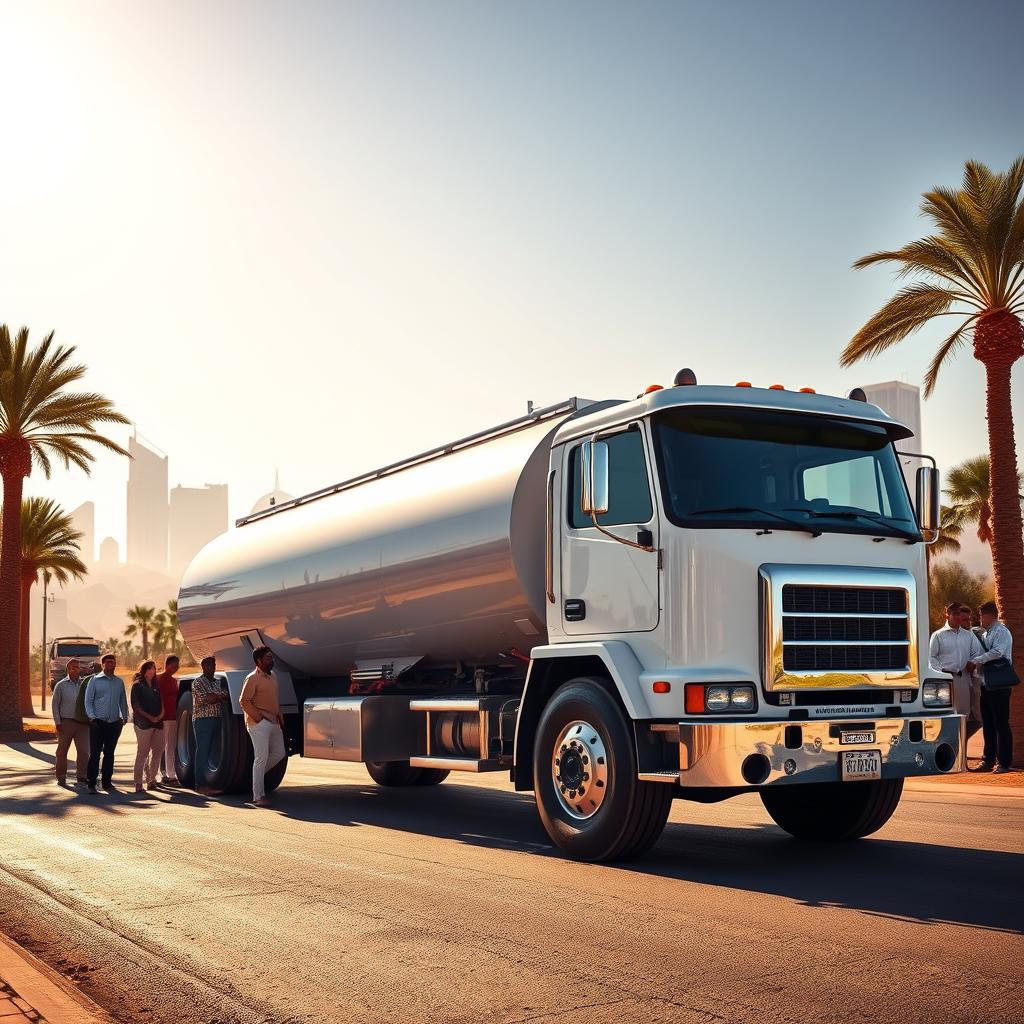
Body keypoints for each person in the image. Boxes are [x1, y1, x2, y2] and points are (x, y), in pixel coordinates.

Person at [239, 646, 286, 807]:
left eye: (271, 657)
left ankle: (255, 777)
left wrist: (280, 716)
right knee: (261, 757)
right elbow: (244, 701)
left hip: (274, 722)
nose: (271, 660)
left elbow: (275, 698)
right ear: (259, 661)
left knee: (280, 753)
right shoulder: (252, 678)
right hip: (258, 723)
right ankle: (258, 796)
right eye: (268, 657)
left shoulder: (273, 676)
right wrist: (259, 718)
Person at [973, 601, 1015, 774]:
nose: (980, 619)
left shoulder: (1002, 632)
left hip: (999, 686)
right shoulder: (985, 634)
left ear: (990, 615)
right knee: (988, 724)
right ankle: (988, 760)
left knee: (1001, 724)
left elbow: (997, 652)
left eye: (982, 615)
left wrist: (977, 660)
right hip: (986, 684)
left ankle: (1004, 762)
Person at [929, 602, 985, 724]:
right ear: (947, 616)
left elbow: (976, 652)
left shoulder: (968, 635)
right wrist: (942, 672)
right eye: (954, 614)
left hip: (963, 679)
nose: (958, 617)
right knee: (944, 713)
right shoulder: (938, 635)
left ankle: (962, 741)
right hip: (944, 680)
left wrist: (972, 662)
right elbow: (932, 657)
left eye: (959, 614)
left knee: (963, 714)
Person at [84, 653, 128, 793]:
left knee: (109, 753)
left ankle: (107, 782)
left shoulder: (119, 682)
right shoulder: (95, 681)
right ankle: (91, 783)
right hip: (98, 723)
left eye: (113, 662)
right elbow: (88, 701)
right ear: (102, 665)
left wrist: (124, 717)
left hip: (114, 723)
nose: (111, 664)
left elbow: (122, 701)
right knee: (95, 753)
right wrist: (92, 717)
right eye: (108, 662)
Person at [193, 656, 229, 796]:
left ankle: (210, 783)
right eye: (209, 665)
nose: (212, 667)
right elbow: (205, 699)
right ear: (203, 666)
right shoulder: (198, 682)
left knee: (213, 752)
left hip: (217, 719)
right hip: (203, 720)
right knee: (202, 752)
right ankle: (200, 785)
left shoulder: (217, 682)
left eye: (213, 665)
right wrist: (220, 696)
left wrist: (216, 696)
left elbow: (224, 695)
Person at [51, 658, 91, 787]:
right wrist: (58, 722)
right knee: (62, 751)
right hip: (66, 722)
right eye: (73, 667)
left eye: (78, 667)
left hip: (83, 724)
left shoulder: (85, 685)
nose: (76, 669)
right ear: (68, 669)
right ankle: (61, 776)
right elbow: (55, 705)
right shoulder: (61, 685)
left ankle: (82, 776)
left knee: (84, 750)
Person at [130, 661, 164, 793]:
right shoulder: (137, 685)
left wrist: (161, 715)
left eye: (154, 668)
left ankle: (151, 780)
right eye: (150, 668)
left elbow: (161, 702)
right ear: (144, 670)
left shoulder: (156, 685)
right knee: (143, 752)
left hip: (158, 722)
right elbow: (136, 707)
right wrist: (150, 717)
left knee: (158, 751)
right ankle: (138, 782)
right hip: (143, 723)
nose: (153, 670)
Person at [155, 655, 181, 786]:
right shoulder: (158, 678)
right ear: (167, 665)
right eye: (174, 666)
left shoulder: (174, 681)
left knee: (171, 746)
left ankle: (171, 774)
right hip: (162, 717)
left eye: (177, 666)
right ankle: (158, 774)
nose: (176, 668)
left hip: (173, 717)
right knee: (159, 747)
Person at [959, 605, 984, 739]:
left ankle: (961, 743)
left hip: (975, 683)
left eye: (969, 619)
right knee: (962, 718)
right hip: (958, 684)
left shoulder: (973, 635)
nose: (968, 623)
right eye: (964, 620)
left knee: (978, 718)